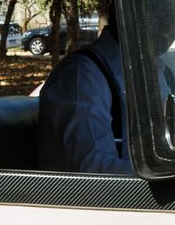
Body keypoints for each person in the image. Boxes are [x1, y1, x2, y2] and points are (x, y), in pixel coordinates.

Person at [37, 21, 127, 172]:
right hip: (81, 194)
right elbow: (94, 171)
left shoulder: (159, 68)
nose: (173, 24)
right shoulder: (82, 75)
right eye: (159, 8)